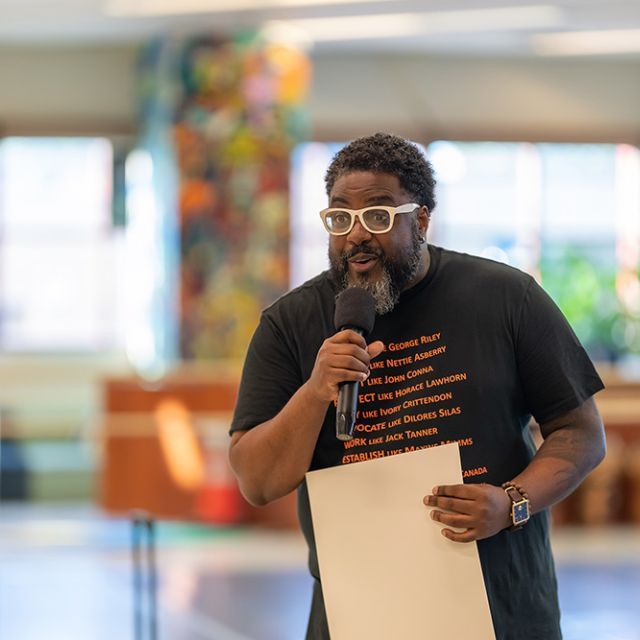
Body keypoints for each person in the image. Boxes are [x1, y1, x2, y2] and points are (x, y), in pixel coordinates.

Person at [228, 132, 606, 639]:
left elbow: (581, 434)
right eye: (340, 218)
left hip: (500, 605)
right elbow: (257, 480)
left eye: (378, 216)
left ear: (421, 219)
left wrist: (511, 501)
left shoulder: (507, 298)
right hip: (358, 608)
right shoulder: (290, 323)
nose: (356, 235)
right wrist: (317, 388)